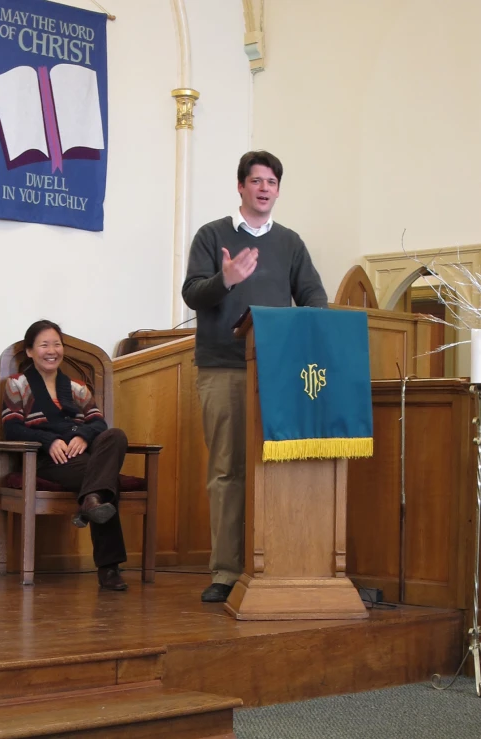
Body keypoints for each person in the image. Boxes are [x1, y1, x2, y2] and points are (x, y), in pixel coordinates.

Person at [182, 150, 328, 603]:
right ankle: (226, 571)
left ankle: (276, 561)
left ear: (278, 190)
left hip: (278, 372)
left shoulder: (290, 242)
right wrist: (224, 279)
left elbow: (313, 295)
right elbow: (193, 293)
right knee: (227, 470)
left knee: (277, 466)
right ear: (241, 186)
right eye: (256, 181)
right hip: (223, 367)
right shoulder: (213, 235)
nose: (265, 188)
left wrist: (312, 327)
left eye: (272, 182)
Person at [1, 320, 129, 591]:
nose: (52, 350)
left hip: (83, 456)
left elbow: (98, 423)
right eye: (44, 344)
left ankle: (90, 503)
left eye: (57, 344)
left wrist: (82, 436)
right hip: (46, 460)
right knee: (108, 482)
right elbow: (11, 427)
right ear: (30, 351)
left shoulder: (77, 388)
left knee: (116, 435)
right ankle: (109, 568)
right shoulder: (18, 385)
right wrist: (49, 441)